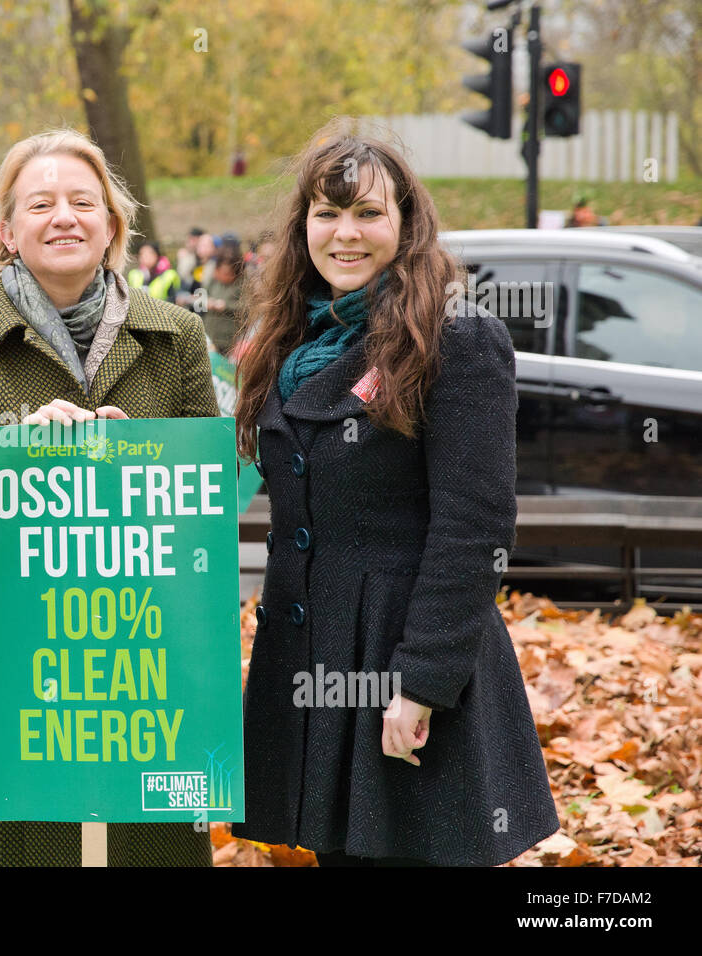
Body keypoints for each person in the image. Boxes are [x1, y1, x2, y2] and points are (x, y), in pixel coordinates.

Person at [232, 126, 558, 866]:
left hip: (404, 661)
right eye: (325, 213)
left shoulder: (457, 336)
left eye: (369, 214)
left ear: (407, 224)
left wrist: (421, 683)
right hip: (313, 658)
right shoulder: (287, 340)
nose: (345, 233)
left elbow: (473, 530)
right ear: (302, 226)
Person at [0, 128, 219, 866]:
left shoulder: (177, 336)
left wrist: (138, 462)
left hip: (138, 651)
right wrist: (19, 459)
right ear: (9, 231)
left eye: (84, 201)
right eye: (40, 203)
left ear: (112, 225)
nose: (65, 217)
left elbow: (207, 490)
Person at [197, 249, 245, 355]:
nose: (221, 275)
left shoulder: (242, 286)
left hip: (228, 338)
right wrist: (206, 302)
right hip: (209, 334)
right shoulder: (213, 281)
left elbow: (247, 308)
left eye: (226, 273)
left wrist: (226, 306)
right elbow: (199, 298)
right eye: (219, 271)